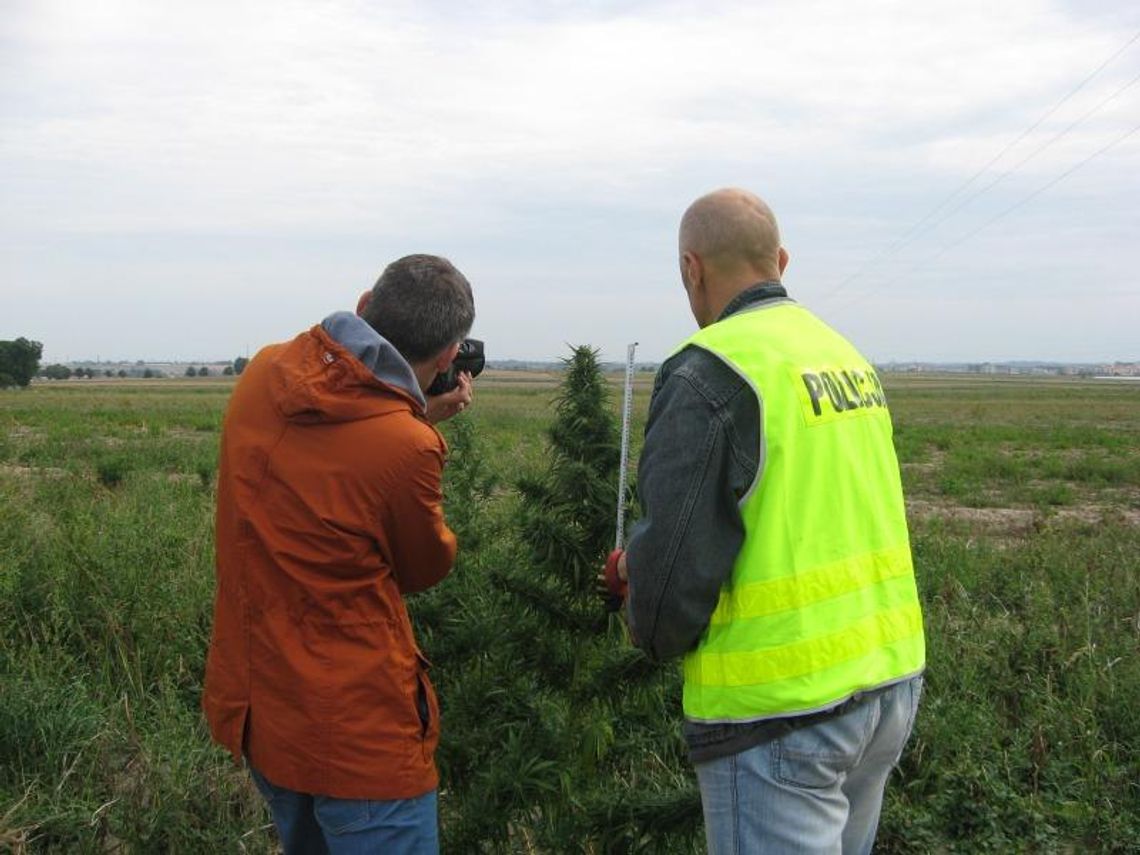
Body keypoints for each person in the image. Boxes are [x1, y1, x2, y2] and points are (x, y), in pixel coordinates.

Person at [610, 189, 925, 854]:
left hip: (778, 709)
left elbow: (672, 569)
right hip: (885, 683)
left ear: (691, 268)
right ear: (781, 260)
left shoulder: (710, 370)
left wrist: (639, 605)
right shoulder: (844, 356)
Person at [202, 254, 475, 854]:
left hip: (267, 713)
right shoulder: (406, 445)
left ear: (362, 306)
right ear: (450, 355)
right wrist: (420, 429)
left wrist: (414, 417)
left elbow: (330, 456)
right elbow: (423, 566)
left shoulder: (264, 373)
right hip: (359, 737)